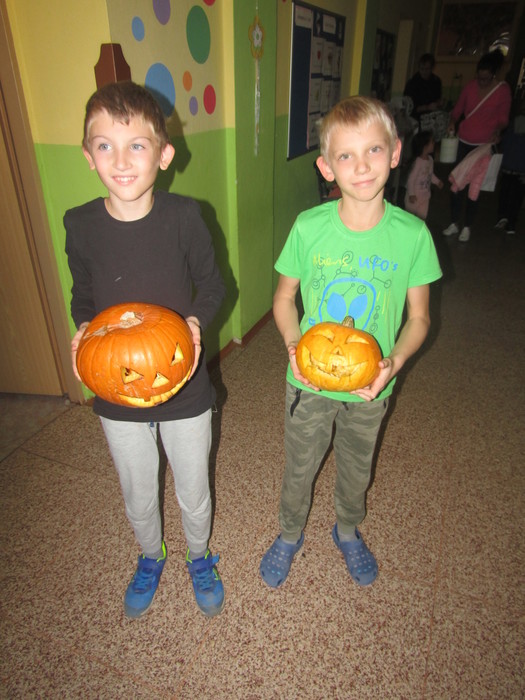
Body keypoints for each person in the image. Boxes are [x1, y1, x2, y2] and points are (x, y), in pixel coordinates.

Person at [259, 97, 442, 589]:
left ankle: (346, 529)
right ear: (327, 167)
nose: (361, 166)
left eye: (373, 150)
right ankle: (289, 532)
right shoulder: (309, 227)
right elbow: (284, 298)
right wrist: (294, 346)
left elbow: (420, 318)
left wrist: (394, 363)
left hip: (371, 385)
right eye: (345, 155)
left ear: (396, 152)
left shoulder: (413, 235)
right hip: (309, 381)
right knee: (300, 464)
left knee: (358, 466)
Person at [65, 81, 226, 619]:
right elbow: (83, 295)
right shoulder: (80, 225)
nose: (121, 160)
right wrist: (83, 327)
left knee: (193, 485)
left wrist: (195, 322)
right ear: (88, 156)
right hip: (115, 388)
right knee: (137, 489)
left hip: (183, 381)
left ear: (164, 154)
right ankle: (150, 554)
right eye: (105, 145)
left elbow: (213, 284)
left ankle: (199, 555)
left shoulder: (185, 216)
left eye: (136, 145)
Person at [442, 49, 511, 242]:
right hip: (464, 143)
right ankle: (454, 222)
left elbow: (503, 118)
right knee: (456, 184)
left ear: (493, 75)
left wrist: (498, 130)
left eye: (486, 79)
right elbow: (457, 110)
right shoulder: (470, 87)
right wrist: (452, 121)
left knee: (474, 187)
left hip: (483, 147)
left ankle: (467, 226)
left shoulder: (502, 91)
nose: (481, 82)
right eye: (479, 78)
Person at [494, 97, 525, 235]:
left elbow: (505, 143)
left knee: (505, 193)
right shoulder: (510, 125)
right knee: (516, 197)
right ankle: (511, 223)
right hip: (520, 169)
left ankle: (503, 217)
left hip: (508, 165)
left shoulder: (510, 124)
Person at [404, 130, 443, 219]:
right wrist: (411, 194)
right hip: (414, 197)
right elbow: (411, 179)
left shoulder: (430, 160)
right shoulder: (418, 162)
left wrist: (437, 182)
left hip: (425, 196)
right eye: (432, 142)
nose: (434, 144)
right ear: (425, 146)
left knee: (422, 218)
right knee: (410, 219)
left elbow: (430, 174)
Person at [403, 53, 443, 121]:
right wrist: (427, 107)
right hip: (416, 118)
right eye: (422, 69)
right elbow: (409, 108)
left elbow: (437, 98)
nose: (424, 72)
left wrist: (439, 103)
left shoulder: (436, 81)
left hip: (432, 116)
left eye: (427, 69)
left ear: (432, 68)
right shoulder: (412, 83)